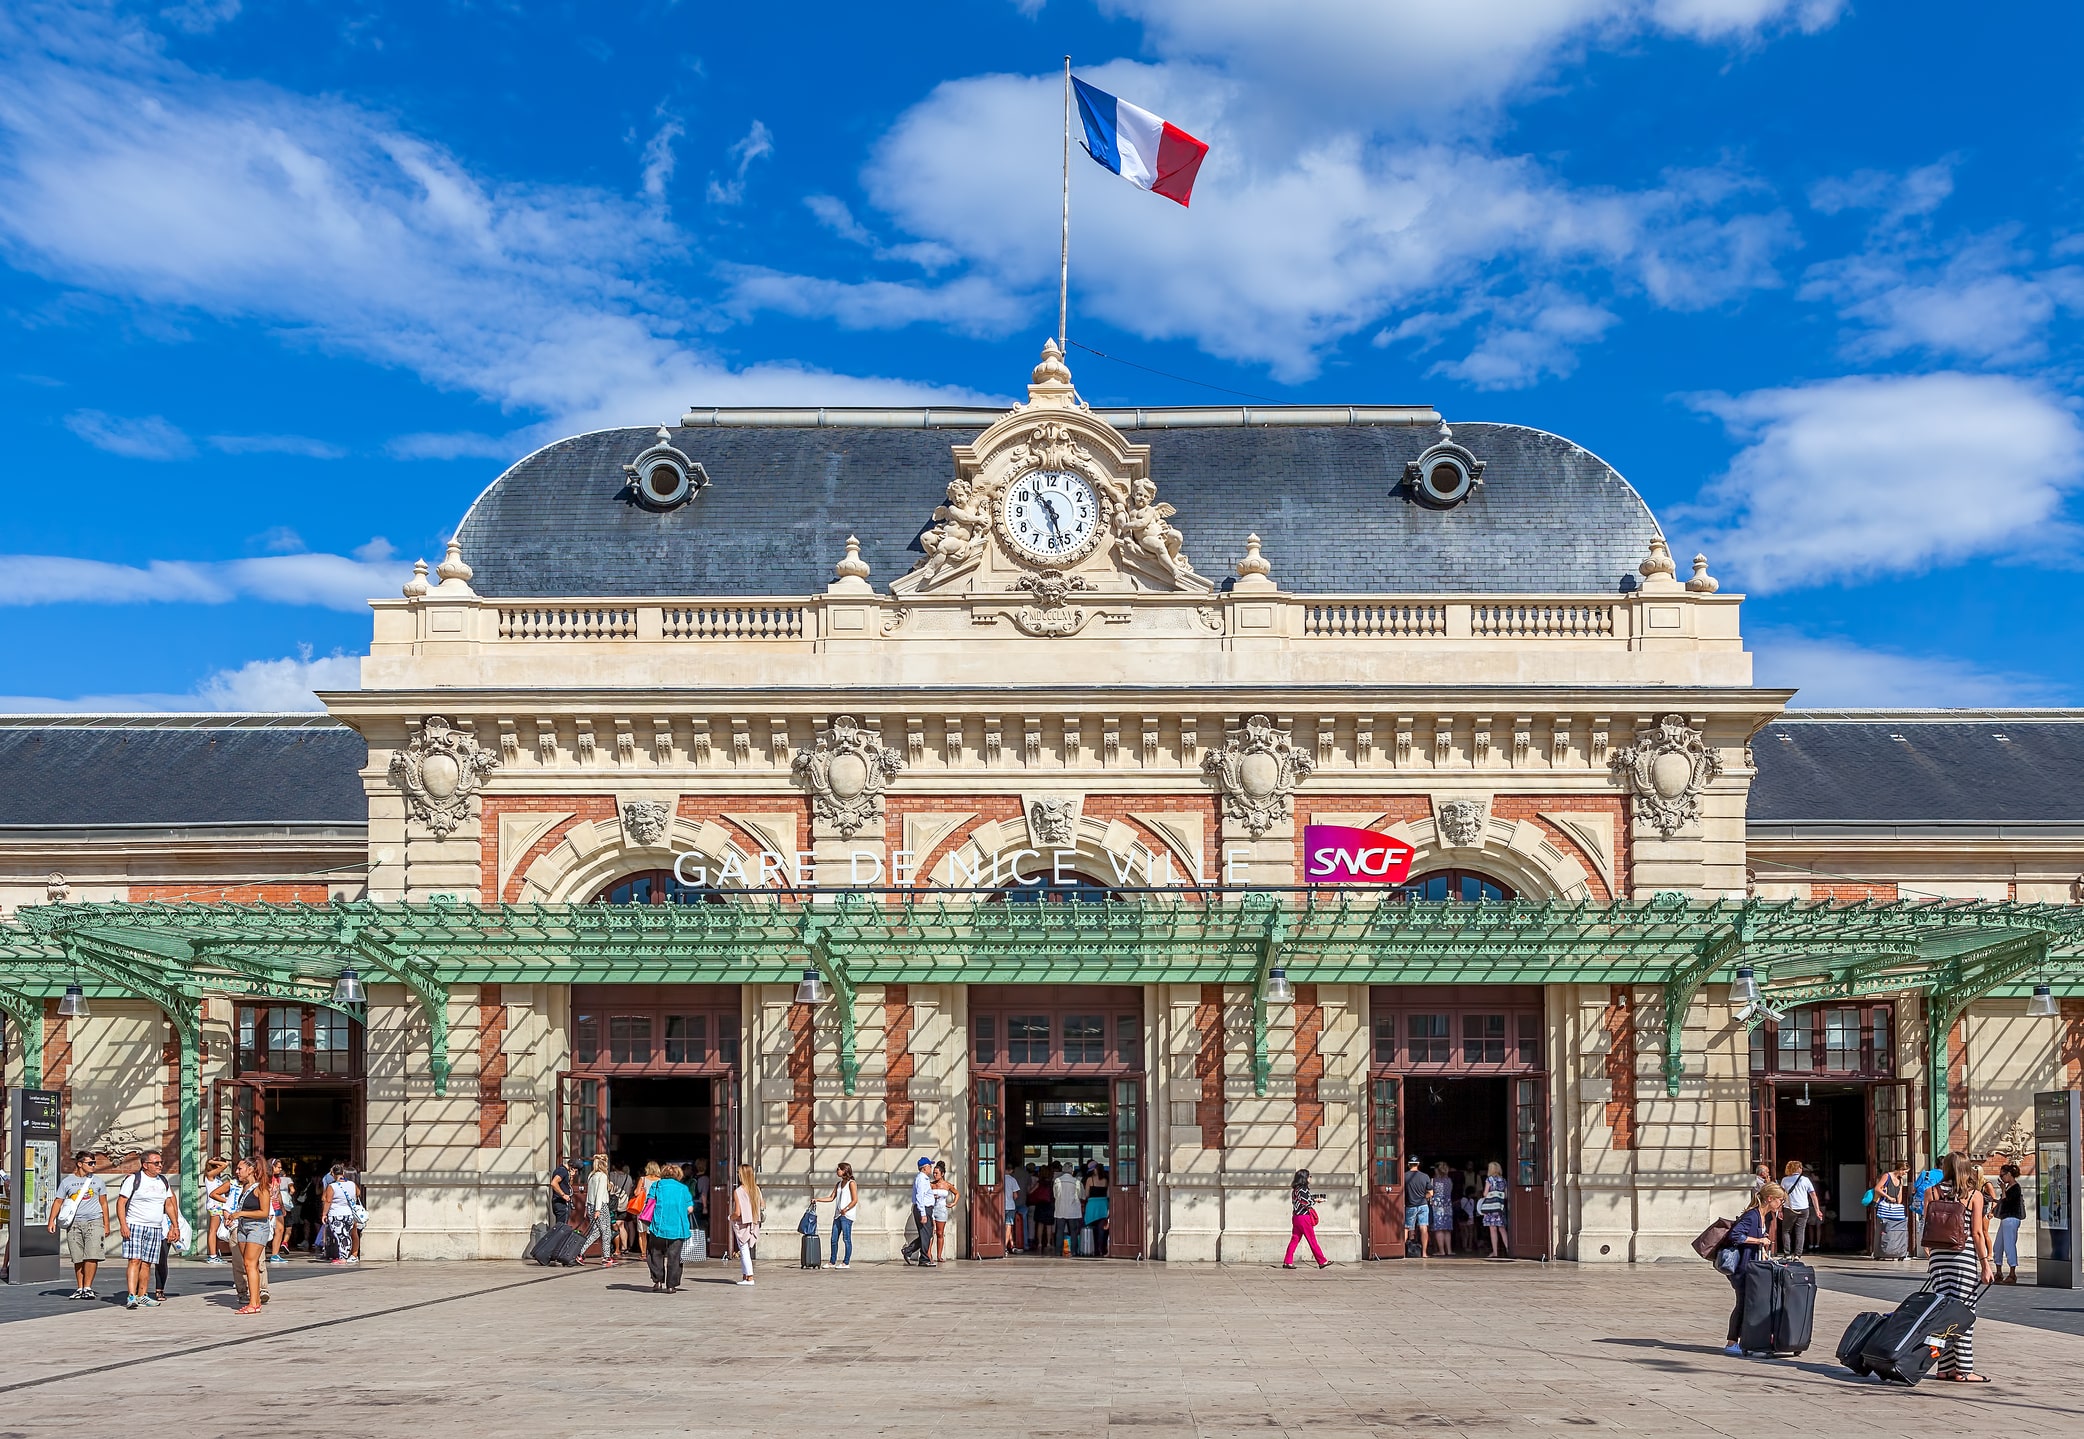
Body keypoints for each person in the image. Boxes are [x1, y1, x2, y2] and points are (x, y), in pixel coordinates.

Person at [1924, 1152, 1994, 1381]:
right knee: (1964, 1312)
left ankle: (1943, 1367)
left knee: (1941, 1312)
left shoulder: (1931, 1192)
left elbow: (1928, 1225)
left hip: (1938, 1260)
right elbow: (1976, 1233)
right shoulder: (1974, 1195)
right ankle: (1964, 1369)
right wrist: (1985, 1264)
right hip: (1963, 1258)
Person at [1719, 1181, 1784, 1356]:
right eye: (1779, 1200)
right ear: (1770, 1199)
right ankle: (1732, 1342)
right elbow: (1735, 1235)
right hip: (1742, 1268)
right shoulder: (1752, 1215)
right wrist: (1759, 1241)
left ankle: (1750, 1341)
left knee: (1750, 1304)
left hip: (1753, 1268)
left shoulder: (1764, 1216)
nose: (1781, 1204)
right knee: (1742, 1303)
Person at [114, 1149, 178, 1311]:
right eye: (156, 1163)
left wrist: (174, 1225)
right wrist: (123, 1224)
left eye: (161, 1162)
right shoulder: (134, 1180)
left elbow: (169, 1204)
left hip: (155, 1227)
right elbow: (121, 1202)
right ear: (145, 1165)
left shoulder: (162, 1181)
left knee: (147, 1262)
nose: (160, 1165)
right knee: (134, 1260)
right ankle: (131, 1295)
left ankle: (143, 1295)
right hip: (135, 1224)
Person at [50, 1150, 112, 1301]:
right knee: (78, 1257)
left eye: (94, 1163)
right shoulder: (67, 1182)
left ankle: (88, 1287)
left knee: (92, 1255)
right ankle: (80, 1287)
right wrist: (51, 1220)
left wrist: (106, 1223)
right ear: (79, 1164)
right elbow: (58, 1201)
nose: (93, 1166)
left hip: (94, 1221)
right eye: (89, 1163)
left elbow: (103, 1203)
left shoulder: (98, 1181)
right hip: (74, 1223)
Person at [228, 1156, 272, 1314]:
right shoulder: (244, 1188)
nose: (237, 1171)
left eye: (240, 1169)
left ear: (251, 1169)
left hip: (257, 1228)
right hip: (243, 1227)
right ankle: (254, 1301)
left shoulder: (261, 1188)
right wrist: (235, 1216)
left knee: (250, 1264)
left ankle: (254, 1303)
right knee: (247, 1265)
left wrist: (241, 1213)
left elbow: (264, 1212)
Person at [644, 1162, 696, 1292]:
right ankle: (671, 1286)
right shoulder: (683, 1188)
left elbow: (649, 1202)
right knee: (674, 1257)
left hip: (658, 1227)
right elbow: (690, 1209)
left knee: (655, 1254)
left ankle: (657, 1281)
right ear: (678, 1175)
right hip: (678, 1228)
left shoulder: (656, 1186)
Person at [1283, 1168, 1329, 1269]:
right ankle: (1322, 1261)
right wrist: (1316, 1201)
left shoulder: (1295, 1190)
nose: (1310, 1178)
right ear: (1304, 1178)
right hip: (1304, 1217)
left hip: (1296, 1217)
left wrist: (1313, 1199)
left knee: (1294, 1239)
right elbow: (1306, 1202)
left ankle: (1287, 1261)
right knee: (1312, 1239)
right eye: (1309, 1176)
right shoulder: (1302, 1189)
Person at [820, 1161, 858, 1269]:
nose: (837, 1171)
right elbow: (831, 1197)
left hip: (846, 1216)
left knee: (846, 1239)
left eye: (839, 1169)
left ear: (844, 1170)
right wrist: (817, 1199)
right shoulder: (838, 1184)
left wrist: (846, 1209)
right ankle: (832, 1261)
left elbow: (855, 1200)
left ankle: (846, 1262)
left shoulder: (851, 1183)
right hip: (837, 1215)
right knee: (833, 1239)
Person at [730, 1163, 763, 1286]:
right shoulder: (756, 1189)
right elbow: (762, 1205)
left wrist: (730, 1217)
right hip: (754, 1222)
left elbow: (737, 1212)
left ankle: (749, 1276)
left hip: (742, 1224)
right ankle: (745, 1275)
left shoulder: (738, 1191)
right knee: (746, 1249)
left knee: (744, 1250)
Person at [1778, 1159, 1817, 1257]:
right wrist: (1817, 1210)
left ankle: (1787, 1253)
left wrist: (1779, 1210)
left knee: (1786, 1231)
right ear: (1798, 1168)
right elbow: (1813, 1195)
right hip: (1804, 1208)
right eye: (1801, 1167)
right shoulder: (1805, 1180)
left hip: (1789, 1208)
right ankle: (1797, 1255)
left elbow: (1781, 1196)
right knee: (1800, 1232)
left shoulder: (1785, 1180)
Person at [320, 1163, 357, 1263]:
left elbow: (328, 1201)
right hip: (349, 1214)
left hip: (336, 1214)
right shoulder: (352, 1184)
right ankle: (345, 1256)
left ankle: (343, 1258)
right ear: (343, 1172)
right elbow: (358, 1194)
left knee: (341, 1236)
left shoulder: (332, 1186)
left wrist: (324, 1214)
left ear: (332, 1173)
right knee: (346, 1235)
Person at [585, 1154, 617, 1266]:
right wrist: (598, 1209)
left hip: (591, 1205)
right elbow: (599, 1194)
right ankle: (606, 1256)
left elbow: (589, 1193)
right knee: (606, 1231)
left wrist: (586, 1208)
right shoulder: (602, 1176)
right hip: (601, 1206)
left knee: (597, 1231)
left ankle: (579, 1251)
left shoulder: (591, 1175)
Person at [1873, 1164, 1910, 1260]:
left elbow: (1899, 1194)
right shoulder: (1887, 1176)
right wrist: (1888, 1197)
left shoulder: (1900, 1180)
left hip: (1893, 1207)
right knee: (1882, 1229)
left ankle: (1892, 1251)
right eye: (1905, 1172)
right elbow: (1877, 1188)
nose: (1905, 1174)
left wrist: (1898, 1203)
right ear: (1901, 1169)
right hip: (1885, 1205)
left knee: (1893, 1229)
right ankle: (1878, 1253)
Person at [1995, 1163, 2024, 1284]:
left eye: (2002, 1175)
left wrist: (2002, 1190)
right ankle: (1998, 1271)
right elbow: (2004, 1201)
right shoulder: (2008, 1187)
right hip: (2005, 1218)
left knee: (2009, 1245)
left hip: (2011, 1218)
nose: (2001, 1178)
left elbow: (2007, 1201)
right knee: (1998, 1245)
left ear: (2009, 1174)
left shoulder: (2016, 1187)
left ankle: (2012, 1273)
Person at [200, 1157, 232, 1263]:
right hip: (215, 1205)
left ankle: (214, 1254)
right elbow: (225, 1164)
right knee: (213, 1230)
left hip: (219, 1204)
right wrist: (212, 1162)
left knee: (215, 1229)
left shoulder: (217, 1178)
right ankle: (212, 1255)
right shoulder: (210, 1175)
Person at [1402, 1158, 1433, 1261]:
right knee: (1423, 1228)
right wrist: (1423, 1197)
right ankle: (1424, 1253)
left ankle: (1402, 1252)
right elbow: (1431, 1193)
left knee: (1406, 1227)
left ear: (1408, 1164)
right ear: (1418, 1164)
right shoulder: (1425, 1176)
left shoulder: (1404, 1176)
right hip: (1423, 1205)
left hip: (1410, 1205)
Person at [908, 1157, 937, 1267]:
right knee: (926, 1234)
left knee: (927, 1234)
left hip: (927, 1208)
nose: (931, 1168)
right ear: (924, 1168)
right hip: (923, 1208)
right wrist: (923, 1213)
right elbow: (919, 1196)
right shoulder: (921, 1179)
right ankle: (924, 1258)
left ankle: (908, 1251)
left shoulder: (924, 1179)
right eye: (930, 1166)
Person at [1052, 1161, 1082, 1257]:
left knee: (1060, 1230)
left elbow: (1055, 1195)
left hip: (1060, 1208)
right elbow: (1080, 1195)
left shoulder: (1057, 1180)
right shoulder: (1076, 1181)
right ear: (1072, 1171)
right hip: (1073, 1210)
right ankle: (1073, 1251)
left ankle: (1058, 1251)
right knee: (1073, 1231)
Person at [1480, 1161, 1510, 1259]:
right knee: (1502, 1229)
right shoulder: (1503, 1180)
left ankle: (1495, 1252)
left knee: (1492, 1230)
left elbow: (1485, 1193)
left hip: (1490, 1208)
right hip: (1500, 1207)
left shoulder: (1489, 1179)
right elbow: (1506, 1195)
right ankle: (1508, 1249)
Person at [931, 1160, 958, 1264]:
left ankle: (939, 1255)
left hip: (942, 1210)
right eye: (934, 1173)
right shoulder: (931, 1185)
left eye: (936, 1173)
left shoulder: (947, 1185)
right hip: (932, 1209)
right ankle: (929, 1254)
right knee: (931, 1233)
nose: (934, 1175)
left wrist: (953, 1203)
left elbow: (957, 1193)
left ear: (942, 1174)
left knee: (940, 1233)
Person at [607, 1161, 633, 1262]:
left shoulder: (612, 1175)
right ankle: (624, 1247)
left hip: (613, 1204)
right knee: (622, 1225)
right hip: (624, 1204)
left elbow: (610, 1188)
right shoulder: (628, 1177)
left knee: (614, 1226)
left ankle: (616, 1248)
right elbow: (630, 1190)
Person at [1085, 1163, 1111, 1256]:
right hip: (1103, 1204)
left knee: (1093, 1229)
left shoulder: (1089, 1180)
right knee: (1102, 1228)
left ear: (1095, 1169)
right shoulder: (1106, 1180)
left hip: (1092, 1205)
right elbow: (1108, 1194)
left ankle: (1095, 1249)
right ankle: (1102, 1249)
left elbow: (1086, 1194)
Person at [1430, 1164, 1455, 1256]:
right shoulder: (1449, 1180)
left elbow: (1431, 1192)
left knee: (1439, 1228)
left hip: (1438, 1205)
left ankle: (1441, 1251)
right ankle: (1449, 1250)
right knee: (1447, 1229)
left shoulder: (1434, 1180)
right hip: (1447, 1204)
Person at [1028, 1164, 1053, 1253]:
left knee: (1040, 1224)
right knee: (1049, 1225)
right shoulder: (1051, 1183)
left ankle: (1039, 1243)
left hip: (1040, 1204)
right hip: (1049, 1204)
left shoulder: (1039, 1182)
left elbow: (1030, 1192)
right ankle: (1049, 1243)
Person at [1002, 1163, 1023, 1253]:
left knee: (1002, 1226)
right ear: (1010, 1170)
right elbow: (1015, 1195)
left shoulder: (999, 1179)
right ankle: (1004, 1247)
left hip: (1000, 1206)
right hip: (1010, 1205)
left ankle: (1011, 1244)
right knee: (1008, 1225)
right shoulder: (1012, 1180)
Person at [548, 1157, 574, 1226]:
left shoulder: (564, 1171)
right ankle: (557, 1237)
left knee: (562, 1224)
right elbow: (553, 1183)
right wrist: (563, 1195)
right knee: (561, 1226)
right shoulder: (562, 1171)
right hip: (561, 1202)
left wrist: (571, 1177)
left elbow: (568, 1185)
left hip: (562, 1202)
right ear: (572, 1167)